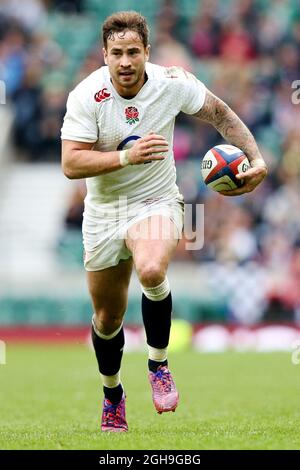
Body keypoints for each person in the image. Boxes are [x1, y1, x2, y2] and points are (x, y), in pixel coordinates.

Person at [61, 11, 267, 432]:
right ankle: (113, 394)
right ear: (104, 55)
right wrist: (125, 157)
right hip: (103, 213)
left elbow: (220, 114)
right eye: (116, 53)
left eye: (132, 52)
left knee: (152, 268)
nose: (124, 61)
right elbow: (70, 163)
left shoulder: (172, 83)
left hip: (155, 200)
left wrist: (258, 158)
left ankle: (158, 365)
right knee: (107, 319)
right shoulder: (86, 96)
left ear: (146, 53)